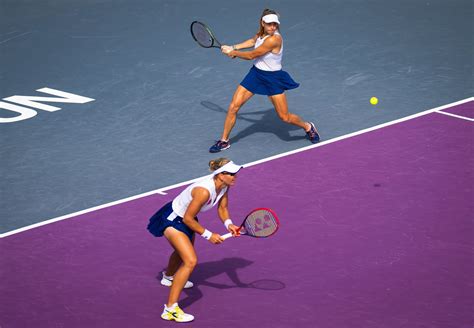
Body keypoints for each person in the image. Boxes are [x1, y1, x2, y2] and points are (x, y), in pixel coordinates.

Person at [209, 8, 320, 153]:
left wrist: (233, 53)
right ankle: (224, 141)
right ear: (262, 23)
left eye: (275, 24)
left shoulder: (275, 39)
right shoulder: (261, 33)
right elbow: (252, 41)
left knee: (284, 117)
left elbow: (252, 55)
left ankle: (308, 127)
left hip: (273, 78)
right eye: (269, 24)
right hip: (255, 75)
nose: (272, 27)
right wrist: (233, 47)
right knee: (233, 107)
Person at [147, 158, 242, 322]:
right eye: (232, 174)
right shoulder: (203, 191)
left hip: (186, 219)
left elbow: (223, 208)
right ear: (220, 175)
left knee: (181, 252)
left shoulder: (224, 186)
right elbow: (188, 219)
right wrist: (208, 235)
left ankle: (168, 277)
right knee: (190, 260)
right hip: (173, 219)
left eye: (236, 173)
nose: (235, 177)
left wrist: (229, 224)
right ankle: (170, 309)